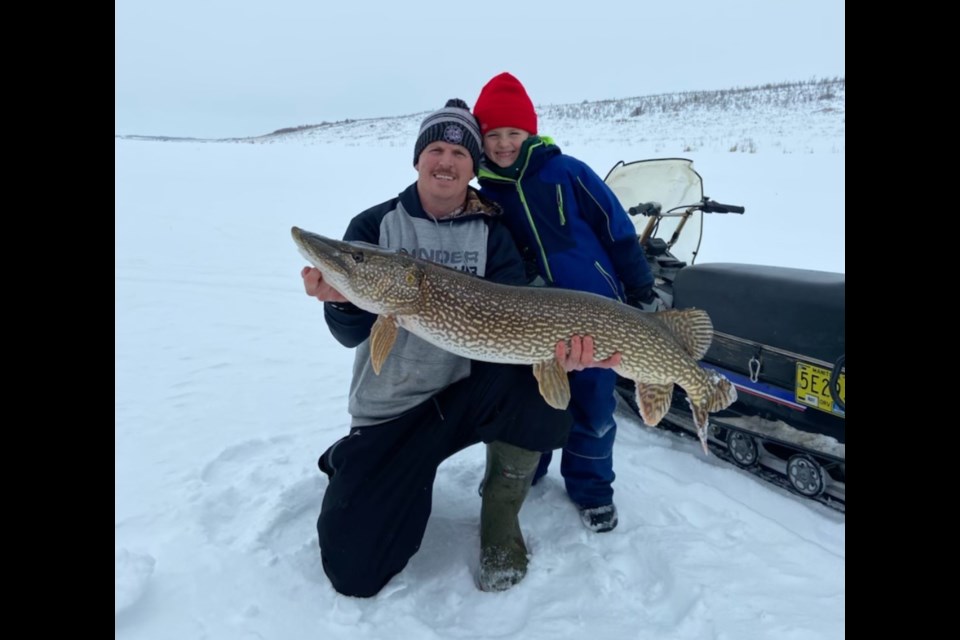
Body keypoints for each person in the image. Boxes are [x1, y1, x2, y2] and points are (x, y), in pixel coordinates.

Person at [300, 98, 619, 597]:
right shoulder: (374, 230)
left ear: (473, 166)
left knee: (544, 404)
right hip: (393, 410)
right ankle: (354, 458)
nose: (445, 161)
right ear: (417, 159)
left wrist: (560, 353)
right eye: (435, 149)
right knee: (355, 571)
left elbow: (521, 317)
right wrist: (342, 302)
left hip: (469, 395)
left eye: (458, 152)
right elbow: (349, 335)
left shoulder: (494, 233)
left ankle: (499, 516)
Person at [473, 73, 664, 534]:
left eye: (513, 134)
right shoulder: (485, 194)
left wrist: (641, 288)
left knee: (595, 410)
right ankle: (528, 468)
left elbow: (617, 231)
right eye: (493, 136)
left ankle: (591, 488)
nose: (503, 145)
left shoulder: (568, 172)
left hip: (598, 321)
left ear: (530, 133)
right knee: (530, 402)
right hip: (529, 327)